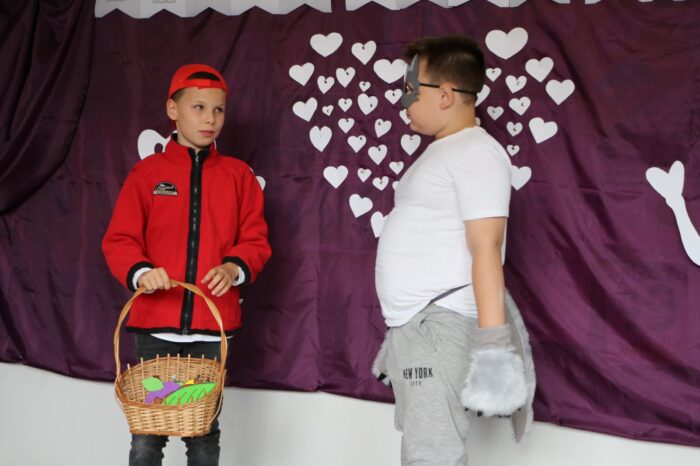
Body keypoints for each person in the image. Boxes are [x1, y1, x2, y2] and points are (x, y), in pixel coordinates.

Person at [372, 35, 532, 465]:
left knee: (431, 456)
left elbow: (486, 247)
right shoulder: (445, 151)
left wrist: (494, 348)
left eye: (411, 89)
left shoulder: (477, 152)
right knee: (425, 450)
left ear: (444, 95)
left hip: (438, 328)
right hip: (418, 327)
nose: (403, 102)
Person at [103, 63, 271, 466]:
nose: (210, 119)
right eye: (199, 108)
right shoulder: (147, 174)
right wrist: (142, 272)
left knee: (204, 434)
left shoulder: (239, 176)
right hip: (154, 328)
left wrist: (233, 268)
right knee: (147, 437)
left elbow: (256, 241)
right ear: (172, 110)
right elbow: (120, 239)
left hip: (212, 329)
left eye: (218, 110)